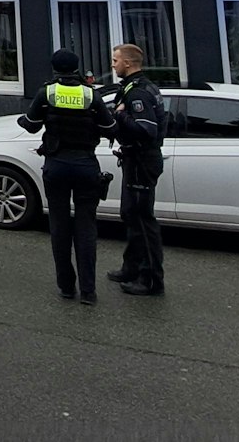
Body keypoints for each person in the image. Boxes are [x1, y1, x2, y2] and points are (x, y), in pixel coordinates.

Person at [19, 49, 116, 303]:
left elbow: (31, 124)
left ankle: (65, 286)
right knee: (86, 228)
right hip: (85, 165)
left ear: (54, 68)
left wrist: (24, 119)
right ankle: (88, 291)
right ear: (77, 68)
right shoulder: (90, 94)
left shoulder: (47, 92)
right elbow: (109, 128)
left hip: (56, 166)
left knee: (59, 227)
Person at [105, 43, 167, 297]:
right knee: (130, 214)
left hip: (142, 160)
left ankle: (151, 279)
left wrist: (120, 116)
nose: (113, 64)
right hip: (134, 160)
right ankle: (131, 268)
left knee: (143, 221)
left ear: (128, 63)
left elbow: (146, 129)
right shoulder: (134, 88)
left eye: (115, 60)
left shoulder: (138, 93)